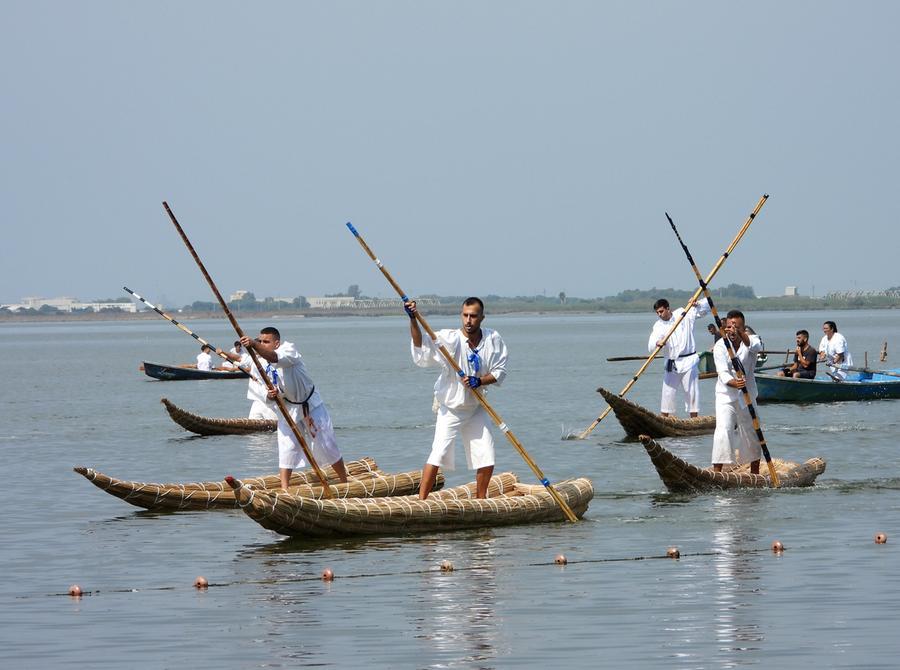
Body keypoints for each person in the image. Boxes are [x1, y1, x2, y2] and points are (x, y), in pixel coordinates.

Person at [405, 297, 508, 500]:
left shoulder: (493, 338)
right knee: (439, 453)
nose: (468, 320)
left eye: (473, 316)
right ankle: (421, 501)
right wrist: (413, 319)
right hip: (451, 407)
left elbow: (500, 371)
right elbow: (421, 345)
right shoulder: (449, 338)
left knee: (486, 455)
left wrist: (479, 381)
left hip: (476, 406)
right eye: (465, 315)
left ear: (482, 318)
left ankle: (480, 501)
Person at [236, 327, 347, 490]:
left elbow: (275, 358)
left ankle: (344, 481)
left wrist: (253, 343)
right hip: (287, 407)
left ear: (276, 343)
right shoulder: (257, 364)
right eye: (260, 341)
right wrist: (272, 394)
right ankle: (285, 488)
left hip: (310, 405)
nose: (262, 344)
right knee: (287, 446)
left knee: (326, 444)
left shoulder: (289, 349)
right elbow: (261, 388)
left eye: (266, 342)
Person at [711, 309, 763, 473]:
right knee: (724, 430)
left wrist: (741, 333)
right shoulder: (721, 345)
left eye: (736, 327)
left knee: (752, 431)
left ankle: (754, 473)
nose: (732, 330)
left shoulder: (752, 340)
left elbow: (755, 347)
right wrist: (736, 383)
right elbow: (723, 374)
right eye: (730, 326)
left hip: (748, 395)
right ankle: (717, 472)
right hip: (726, 395)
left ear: (743, 326)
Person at [648, 297, 710, 417]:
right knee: (667, 392)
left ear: (668, 308)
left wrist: (696, 304)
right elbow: (651, 344)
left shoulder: (683, 313)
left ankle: (694, 419)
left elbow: (705, 309)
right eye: (657, 313)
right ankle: (665, 418)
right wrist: (657, 343)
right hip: (672, 362)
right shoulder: (658, 325)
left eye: (661, 311)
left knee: (691, 392)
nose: (659, 315)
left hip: (689, 361)